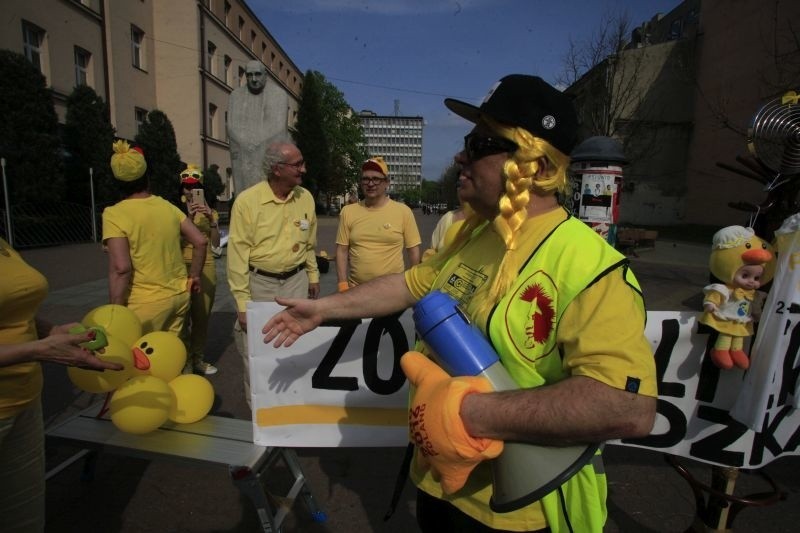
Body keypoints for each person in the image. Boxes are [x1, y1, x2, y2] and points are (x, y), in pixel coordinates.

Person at [262, 74, 657, 532]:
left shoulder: (591, 265)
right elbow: (411, 284)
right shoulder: (474, 234)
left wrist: (469, 414)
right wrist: (324, 310)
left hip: (518, 513)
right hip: (439, 486)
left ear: (536, 166)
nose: (460, 156)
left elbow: (626, 408)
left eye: (480, 143)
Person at [0, 236, 122, 532]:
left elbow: (12, 306)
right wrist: (38, 349)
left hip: (24, 402)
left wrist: (49, 330)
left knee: (24, 521)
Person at [227, 141, 320, 404]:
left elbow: (309, 244)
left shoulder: (306, 197)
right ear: (277, 169)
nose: (304, 169)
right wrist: (242, 304)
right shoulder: (247, 201)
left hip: (297, 282)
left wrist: (312, 276)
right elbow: (236, 257)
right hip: (261, 286)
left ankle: (290, 410)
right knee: (256, 352)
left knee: (296, 347)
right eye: (297, 164)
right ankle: (260, 413)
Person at [102, 140, 207, 336]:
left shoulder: (114, 214)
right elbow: (200, 241)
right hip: (178, 295)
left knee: (141, 360)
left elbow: (121, 268)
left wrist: (114, 311)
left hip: (144, 303)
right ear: (147, 176)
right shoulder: (166, 206)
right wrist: (194, 276)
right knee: (170, 356)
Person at [335, 157, 421, 292]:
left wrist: (414, 286)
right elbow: (342, 250)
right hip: (357, 289)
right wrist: (342, 284)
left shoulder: (403, 211)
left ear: (386, 182)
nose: (370, 183)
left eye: (376, 179)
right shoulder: (348, 211)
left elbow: (413, 251)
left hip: (392, 290)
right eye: (366, 179)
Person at [178, 164, 221, 375]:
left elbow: (216, 244)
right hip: (181, 264)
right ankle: (183, 361)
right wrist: (189, 219)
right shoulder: (175, 212)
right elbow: (173, 241)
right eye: (186, 186)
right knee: (182, 316)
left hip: (207, 264)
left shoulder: (210, 212)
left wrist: (212, 221)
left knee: (201, 315)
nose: (189, 190)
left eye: (194, 186)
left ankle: (198, 358)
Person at [227, 60, 290, 195]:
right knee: (244, 193)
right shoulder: (235, 96)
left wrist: (257, 143)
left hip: (266, 151)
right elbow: (232, 127)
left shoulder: (279, 95)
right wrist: (245, 143)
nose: (254, 79)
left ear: (265, 74)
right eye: (249, 75)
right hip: (243, 153)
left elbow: (278, 127)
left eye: (257, 74)